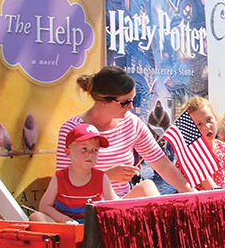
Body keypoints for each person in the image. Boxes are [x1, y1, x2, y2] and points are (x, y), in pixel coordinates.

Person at [57, 66, 190, 196]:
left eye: (133, 100)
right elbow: (63, 184)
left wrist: (193, 195)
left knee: (147, 186)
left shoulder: (131, 123)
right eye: (125, 102)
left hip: (121, 205)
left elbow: (163, 165)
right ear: (103, 100)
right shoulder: (72, 129)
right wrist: (106, 176)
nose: (131, 107)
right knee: (147, 189)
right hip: (85, 207)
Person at [30, 125, 116, 224]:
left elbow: (114, 204)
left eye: (95, 150)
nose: (90, 154)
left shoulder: (101, 177)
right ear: (68, 152)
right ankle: (61, 239)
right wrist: (67, 220)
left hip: (92, 228)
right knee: (36, 216)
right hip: (66, 226)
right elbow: (44, 206)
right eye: (84, 148)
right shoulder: (60, 177)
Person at [181, 97, 225, 190]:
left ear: (216, 118)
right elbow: (211, 189)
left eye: (209, 119)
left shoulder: (223, 148)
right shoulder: (191, 153)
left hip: (222, 196)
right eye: (199, 124)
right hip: (200, 201)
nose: (207, 126)